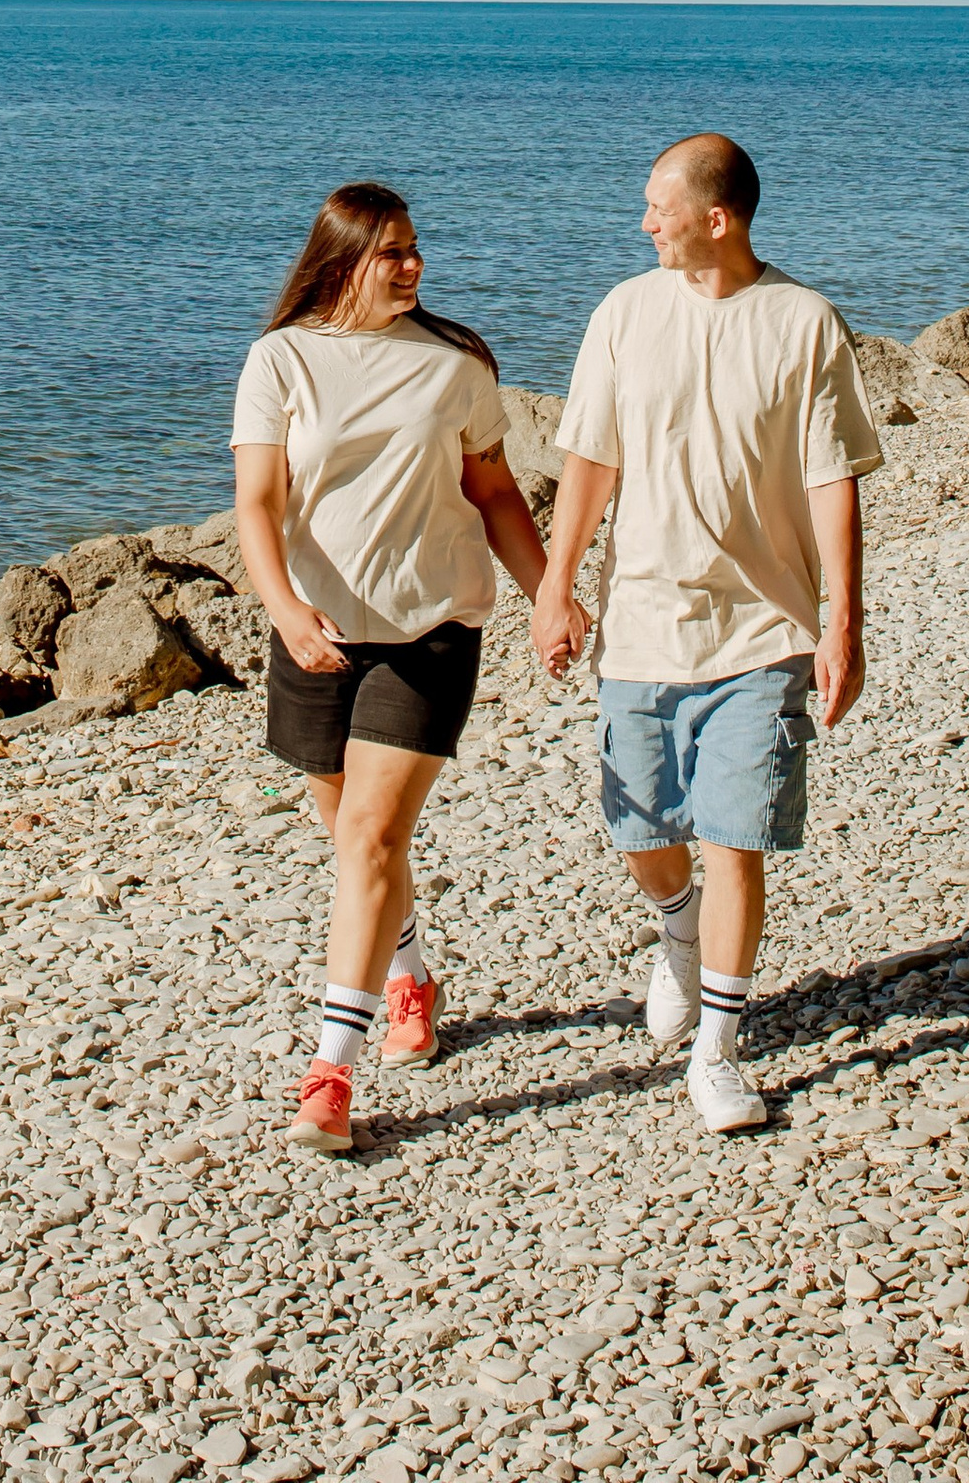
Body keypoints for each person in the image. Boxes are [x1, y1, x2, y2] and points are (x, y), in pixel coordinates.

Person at [533, 130, 879, 1136]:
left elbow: (832, 480)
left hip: (760, 631)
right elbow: (588, 462)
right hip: (641, 623)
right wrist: (556, 589)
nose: (644, 222)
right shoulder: (624, 313)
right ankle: (675, 932)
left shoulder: (805, 323)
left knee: (736, 836)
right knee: (641, 834)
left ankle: (717, 1051)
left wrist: (840, 625)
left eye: (658, 205)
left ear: (714, 218)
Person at [232, 181, 551, 1157]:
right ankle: (407, 968)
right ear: (339, 262)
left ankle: (330, 1072)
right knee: (350, 838)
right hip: (317, 635)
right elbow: (255, 505)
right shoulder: (278, 359)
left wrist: (552, 596)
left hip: (431, 629)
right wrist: (285, 613)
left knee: (370, 837)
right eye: (391, 253)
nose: (412, 265)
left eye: (415, 248)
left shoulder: (452, 367)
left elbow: (494, 497)